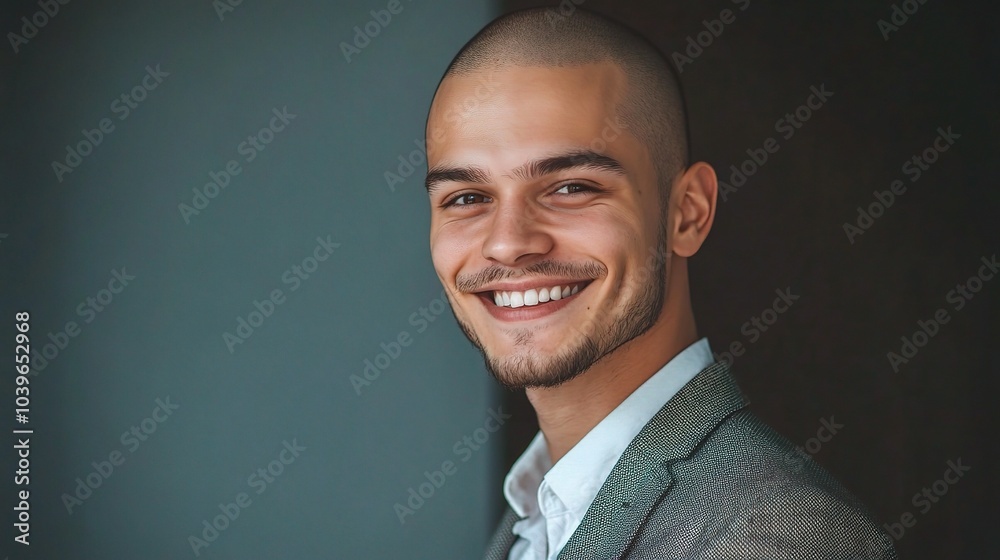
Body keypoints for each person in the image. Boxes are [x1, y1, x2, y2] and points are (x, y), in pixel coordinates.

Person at [422, 7, 897, 559]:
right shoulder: (535, 516)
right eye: (466, 198)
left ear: (687, 213)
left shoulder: (779, 538)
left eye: (571, 187)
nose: (507, 242)